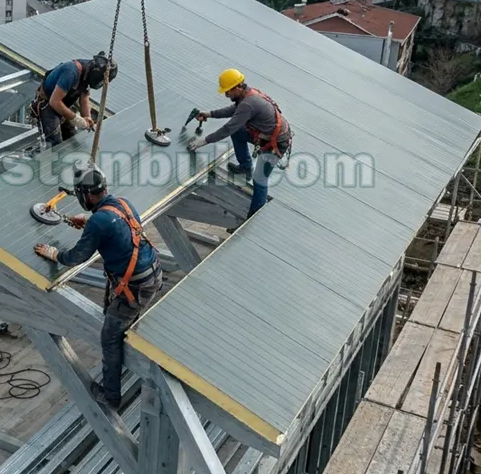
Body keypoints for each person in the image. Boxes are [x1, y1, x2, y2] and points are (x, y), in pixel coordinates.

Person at [33, 166, 162, 409]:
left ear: (87, 194)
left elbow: (75, 257)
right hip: (153, 273)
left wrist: (53, 253)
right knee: (121, 320)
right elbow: (117, 227)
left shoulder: (100, 222)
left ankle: (111, 396)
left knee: (109, 337)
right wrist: (91, 222)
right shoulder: (122, 203)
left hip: (136, 287)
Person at [187, 68, 292, 217]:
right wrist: (210, 114)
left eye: (228, 91)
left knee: (260, 180)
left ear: (237, 87)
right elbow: (233, 110)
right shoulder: (248, 94)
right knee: (238, 132)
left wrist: (203, 141)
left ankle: (254, 217)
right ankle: (245, 167)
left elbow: (228, 128)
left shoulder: (248, 104)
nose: (226, 94)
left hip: (275, 144)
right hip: (266, 136)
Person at [29, 52, 118, 146]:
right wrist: (75, 119)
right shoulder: (71, 72)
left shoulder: (88, 74)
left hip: (62, 105)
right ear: (96, 74)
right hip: (49, 104)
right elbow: (54, 102)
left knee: (72, 139)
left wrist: (87, 117)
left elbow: (84, 97)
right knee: (55, 143)